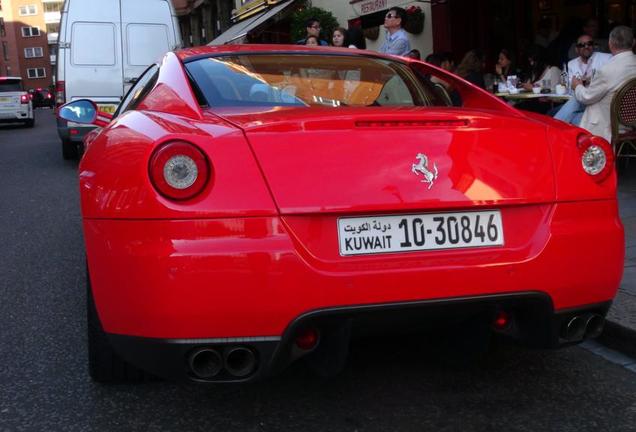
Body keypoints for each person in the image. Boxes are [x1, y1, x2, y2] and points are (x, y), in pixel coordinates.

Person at [573, 25, 636, 142]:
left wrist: (577, 85)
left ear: (610, 44)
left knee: (569, 120)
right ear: (633, 43)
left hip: (610, 125)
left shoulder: (607, 70)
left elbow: (586, 97)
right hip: (632, 122)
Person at [554, 34, 612, 124]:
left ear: (593, 46)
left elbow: (610, 79)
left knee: (570, 113)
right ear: (576, 49)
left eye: (589, 43)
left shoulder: (606, 58)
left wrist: (589, 80)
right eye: (582, 45)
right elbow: (570, 88)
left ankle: (553, 128)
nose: (586, 47)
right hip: (581, 104)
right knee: (574, 118)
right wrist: (578, 85)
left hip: (597, 101)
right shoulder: (571, 64)